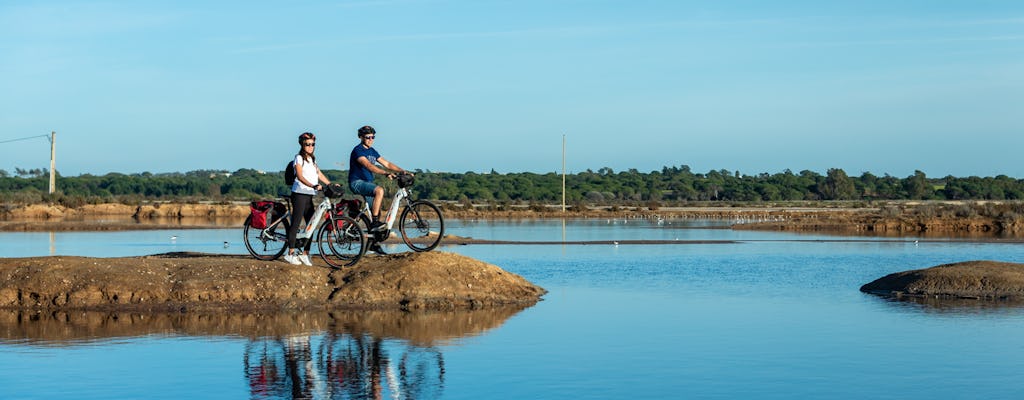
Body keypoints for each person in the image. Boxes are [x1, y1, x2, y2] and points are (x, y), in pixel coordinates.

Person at [348, 125, 410, 255]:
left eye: (373, 137)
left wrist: (402, 170)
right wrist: (385, 173)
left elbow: (386, 163)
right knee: (379, 191)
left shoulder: (372, 151)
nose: (371, 139)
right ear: (361, 137)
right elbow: (368, 165)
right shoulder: (358, 151)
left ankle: (373, 245)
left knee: (377, 212)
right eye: (368, 137)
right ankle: (375, 222)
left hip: (367, 183)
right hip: (356, 182)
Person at [284, 132, 332, 266]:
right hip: (299, 194)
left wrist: (330, 184)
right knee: (296, 223)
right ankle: (290, 253)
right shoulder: (298, 158)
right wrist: (313, 185)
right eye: (307, 144)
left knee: (311, 225)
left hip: (309, 195)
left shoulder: (312, 160)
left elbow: (319, 173)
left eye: (312, 144)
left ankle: (305, 254)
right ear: (302, 145)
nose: (310, 147)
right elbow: (299, 176)